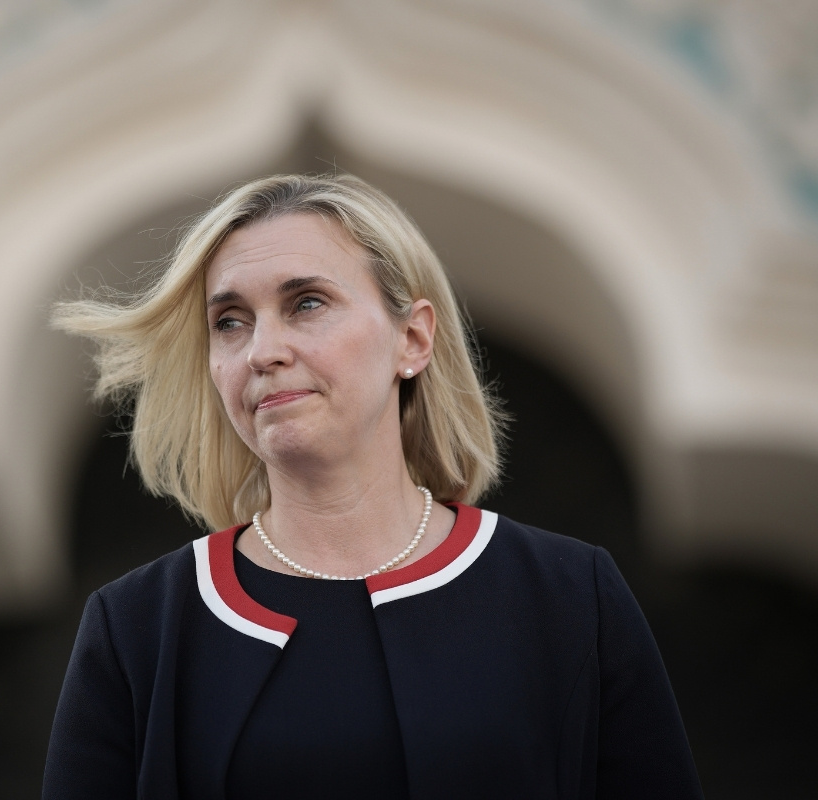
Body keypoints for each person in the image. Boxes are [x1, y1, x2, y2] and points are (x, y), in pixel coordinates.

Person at [43, 174, 703, 799]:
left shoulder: (572, 596)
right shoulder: (137, 630)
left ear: (412, 339)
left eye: (307, 303)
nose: (262, 351)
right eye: (230, 321)